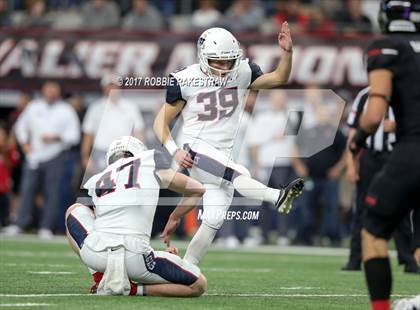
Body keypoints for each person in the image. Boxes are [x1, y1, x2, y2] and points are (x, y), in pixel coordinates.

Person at [154, 23, 304, 265]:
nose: (225, 67)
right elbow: (160, 122)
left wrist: (287, 53)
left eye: (229, 61)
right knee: (239, 173)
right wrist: (174, 150)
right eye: (217, 61)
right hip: (195, 150)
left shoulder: (243, 71)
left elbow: (279, 78)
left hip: (222, 155)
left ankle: (187, 269)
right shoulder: (185, 79)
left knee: (213, 220)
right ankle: (278, 196)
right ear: (203, 57)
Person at [66, 136, 207, 297]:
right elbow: (197, 189)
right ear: (140, 152)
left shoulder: (99, 179)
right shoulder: (149, 161)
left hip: (96, 255)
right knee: (198, 285)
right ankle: (132, 289)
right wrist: (174, 217)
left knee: (74, 209)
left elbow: (109, 227)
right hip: (136, 259)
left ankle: (100, 278)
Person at [348, 1, 420, 309]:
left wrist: (358, 139)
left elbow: (375, 113)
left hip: (413, 150)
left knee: (373, 231)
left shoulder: (386, 47)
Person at [343, 87, 418, 273]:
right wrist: (351, 165)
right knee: (361, 208)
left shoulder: (404, 91)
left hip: (395, 154)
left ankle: (408, 260)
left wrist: (396, 126)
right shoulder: (363, 96)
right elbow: (353, 132)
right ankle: (355, 259)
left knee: (400, 207)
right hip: (369, 156)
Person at [2, 81, 80, 239]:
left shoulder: (66, 110)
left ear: (58, 92)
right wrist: (24, 144)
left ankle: (46, 226)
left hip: (55, 155)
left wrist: (56, 137)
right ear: (43, 91)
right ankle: (20, 223)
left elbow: (74, 136)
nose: (50, 92)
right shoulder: (34, 107)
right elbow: (20, 127)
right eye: (48, 89)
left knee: (52, 192)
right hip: (34, 156)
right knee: (27, 190)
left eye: (54, 90)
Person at [81, 74, 145, 179]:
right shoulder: (95, 108)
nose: (112, 89)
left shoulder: (131, 107)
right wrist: (85, 157)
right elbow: (88, 134)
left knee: (123, 187)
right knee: (101, 189)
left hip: (125, 154)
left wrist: (140, 155)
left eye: (115, 86)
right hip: (99, 153)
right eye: (109, 86)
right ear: (103, 88)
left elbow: (138, 131)